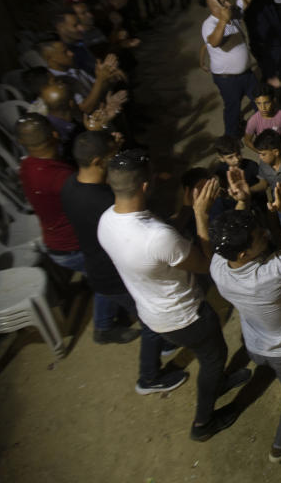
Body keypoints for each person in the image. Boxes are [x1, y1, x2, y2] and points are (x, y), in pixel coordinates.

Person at [97, 150, 250, 441]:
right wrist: (200, 215)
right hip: (185, 316)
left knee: (211, 361)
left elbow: (162, 242)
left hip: (152, 312)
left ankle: (217, 382)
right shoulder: (156, 236)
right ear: (144, 186)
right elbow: (206, 265)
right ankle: (203, 423)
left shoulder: (107, 221)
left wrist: (183, 210)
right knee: (214, 358)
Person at [61, 131, 188, 392]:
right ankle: (149, 378)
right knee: (151, 320)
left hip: (97, 266)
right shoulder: (106, 203)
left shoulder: (70, 185)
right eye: (111, 156)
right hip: (114, 275)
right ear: (97, 161)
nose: (116, 160)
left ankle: (123, 331)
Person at [206, 199, 281, 464]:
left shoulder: (218, 266)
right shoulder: (273, 272)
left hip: (256, 343)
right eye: (258, 237)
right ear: (243, 253)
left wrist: (242, 200)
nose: (265, 234)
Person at [16, 114, 133, 343]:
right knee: (108, 280)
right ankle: (104, 327)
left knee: (101, 280)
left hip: (56, 242)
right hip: (71, 247)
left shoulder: (29, 165)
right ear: (55, 134)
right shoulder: (61, 178)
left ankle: (107, 322)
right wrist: (113, 154)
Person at [201, 0, 264, 137]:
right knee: (233, 108)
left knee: (260, 100)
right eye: (224, 2)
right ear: (215, 8)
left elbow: (244, 0)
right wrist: (223, 20)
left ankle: (262, 127)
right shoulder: (210, 24)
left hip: (247, 73)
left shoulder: (232, 13)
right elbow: (213, 41)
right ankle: (231, 135)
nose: (229, 3)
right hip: (227, 79)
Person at [243, 84, 281, 150]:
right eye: (259, 103)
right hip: (267, 159)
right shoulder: (253, 121)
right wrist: (261, 152)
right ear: (255, 102)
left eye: (266, 103)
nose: (263, 108)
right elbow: (247, 141)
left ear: (274, 101)